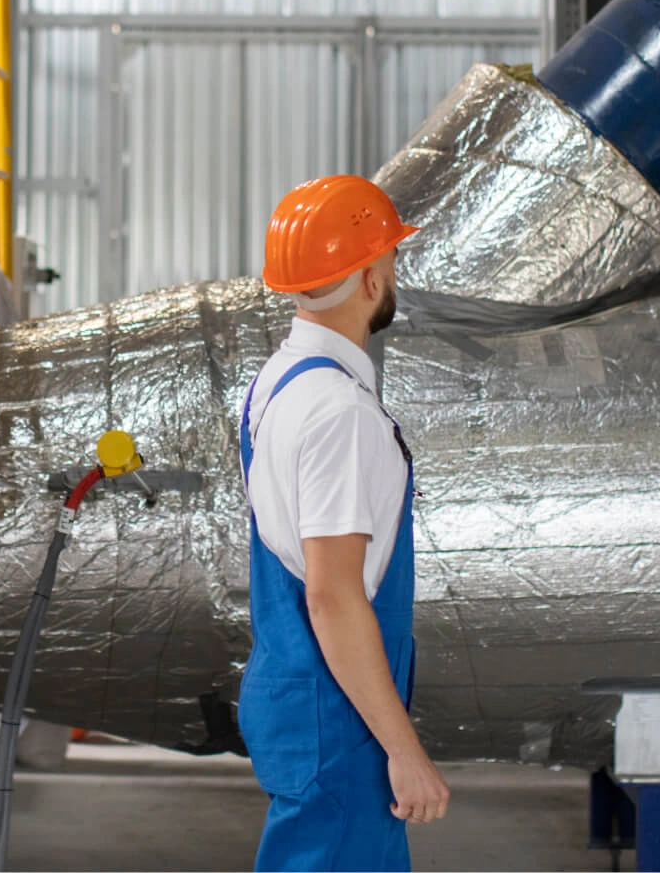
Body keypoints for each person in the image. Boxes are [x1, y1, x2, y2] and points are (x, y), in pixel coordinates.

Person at [237, 175, 450, 872]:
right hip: (340, 719)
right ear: (367, 279)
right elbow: (332, 595)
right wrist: (404, 750)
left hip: (301, 692)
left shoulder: (277, 381)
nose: (393, 273)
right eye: (388, 259)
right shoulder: (340, 415)